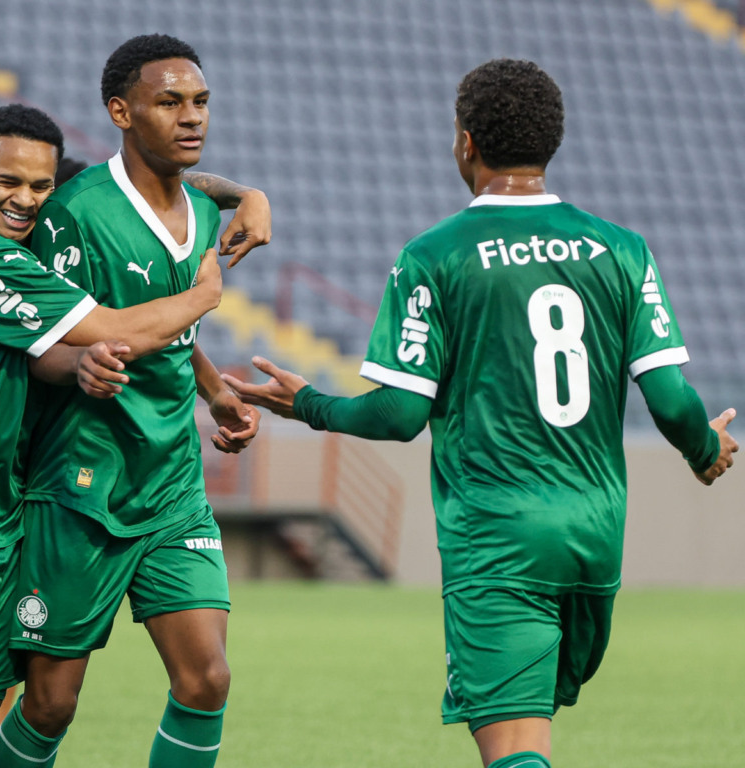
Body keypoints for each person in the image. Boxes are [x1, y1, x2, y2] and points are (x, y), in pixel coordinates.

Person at [222, 59, 738, 768]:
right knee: (533, 735)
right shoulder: (622, 249)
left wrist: (308, 404)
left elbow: (401, 414)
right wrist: (704, 450)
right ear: (551, 142)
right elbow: (673, 400)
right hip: (595, 536)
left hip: (499, 535)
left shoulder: (435, 256)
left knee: (515, 746)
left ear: (466, 142)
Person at [0, 103, 227, 768]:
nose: (26, 199)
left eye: (40, 186)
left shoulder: (12, 253)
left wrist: (244, 194)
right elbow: (118, 326)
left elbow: (46, 352)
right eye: (9, 181)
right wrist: (204, 295)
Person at [0, 34, 265, 768]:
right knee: (49, 705)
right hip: (79, 486)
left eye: (200, 101)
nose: (191, 116)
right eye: (169, 102)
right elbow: (38, 340)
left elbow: (168, 326)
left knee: (207, 679)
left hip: (172, 484)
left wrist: (215, 391)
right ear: (121, 111)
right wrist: (78, 363)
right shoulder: (75, 214)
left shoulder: (203, 212)